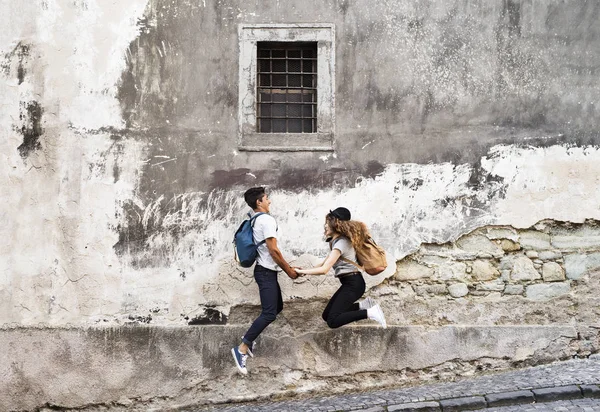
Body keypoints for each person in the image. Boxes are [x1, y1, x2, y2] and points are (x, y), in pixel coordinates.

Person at [231, 187, 298, 375]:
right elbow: (273, 250)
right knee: (269, 313)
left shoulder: (254, 220)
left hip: (266, 271)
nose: (269, 201)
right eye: (267, 198)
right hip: (266, 272)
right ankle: (242, 348)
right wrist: (289, 270)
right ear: (259, 202)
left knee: (276, 308)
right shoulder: (266, 220)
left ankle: (249, 338)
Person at [296, 207, 387, 329]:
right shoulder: (336, 241)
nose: (325, 226)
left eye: (327, 223)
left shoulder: (341, 243)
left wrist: (302, 272)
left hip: (353, 284)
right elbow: (324, 263)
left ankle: (371, 313)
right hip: (350, 283)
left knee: (333, 321)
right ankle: (363, 306)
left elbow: (324, 270)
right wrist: (303, 271)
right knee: (327, 315)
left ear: (335, 224)